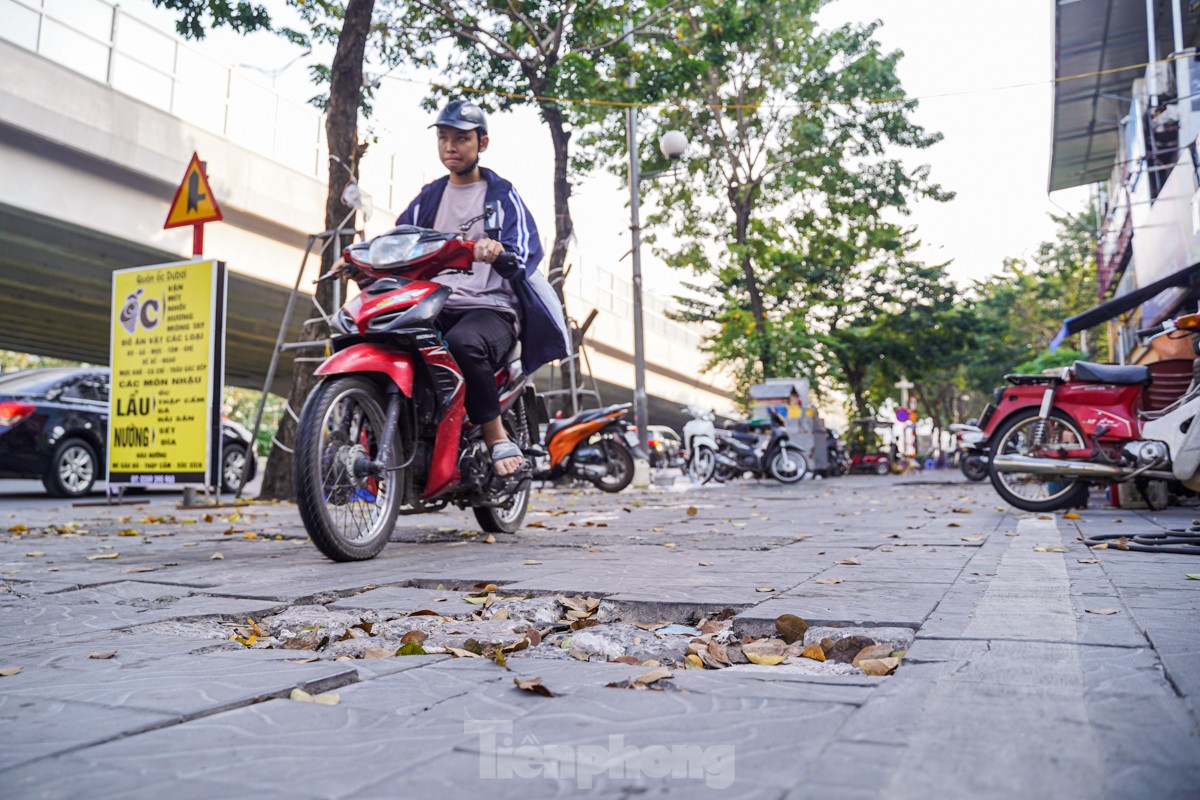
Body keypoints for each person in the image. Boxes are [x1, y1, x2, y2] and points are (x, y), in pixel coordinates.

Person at [391, 100, 569, 477]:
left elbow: (523, 250)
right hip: (433, 304)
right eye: (443, 138)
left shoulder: (502, 195)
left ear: (482, 143)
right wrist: (355, 257)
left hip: (490, 308)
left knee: (463, 344)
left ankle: (495, 435)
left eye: (461, 138)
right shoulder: (428, 198)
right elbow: (398, 239)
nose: (450, 147)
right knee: (385, 334)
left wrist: (500, 250)